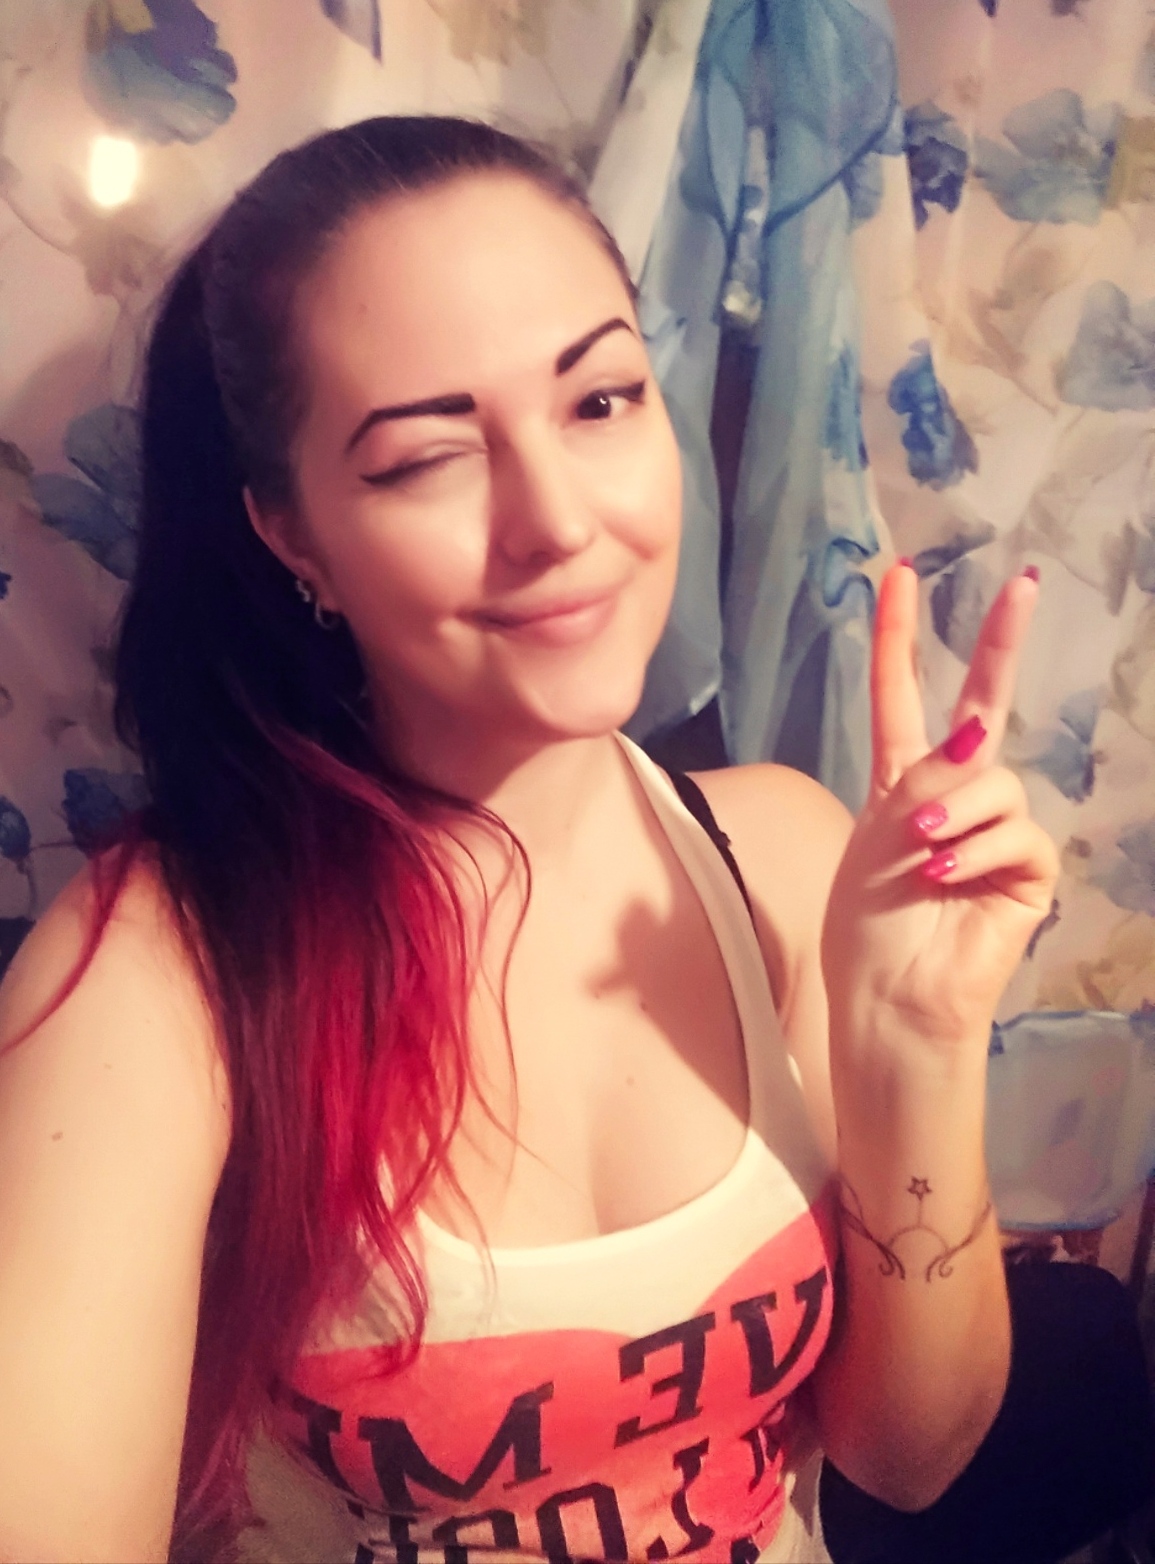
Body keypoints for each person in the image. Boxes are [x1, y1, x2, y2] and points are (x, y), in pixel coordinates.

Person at [0, 117, 1058, 1564]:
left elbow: (907, 1459)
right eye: (427, 458)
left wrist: (915, 1053)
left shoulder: (788, 855)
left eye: (601, 400)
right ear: (293, 538)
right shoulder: (155, 978)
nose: (558, 521)